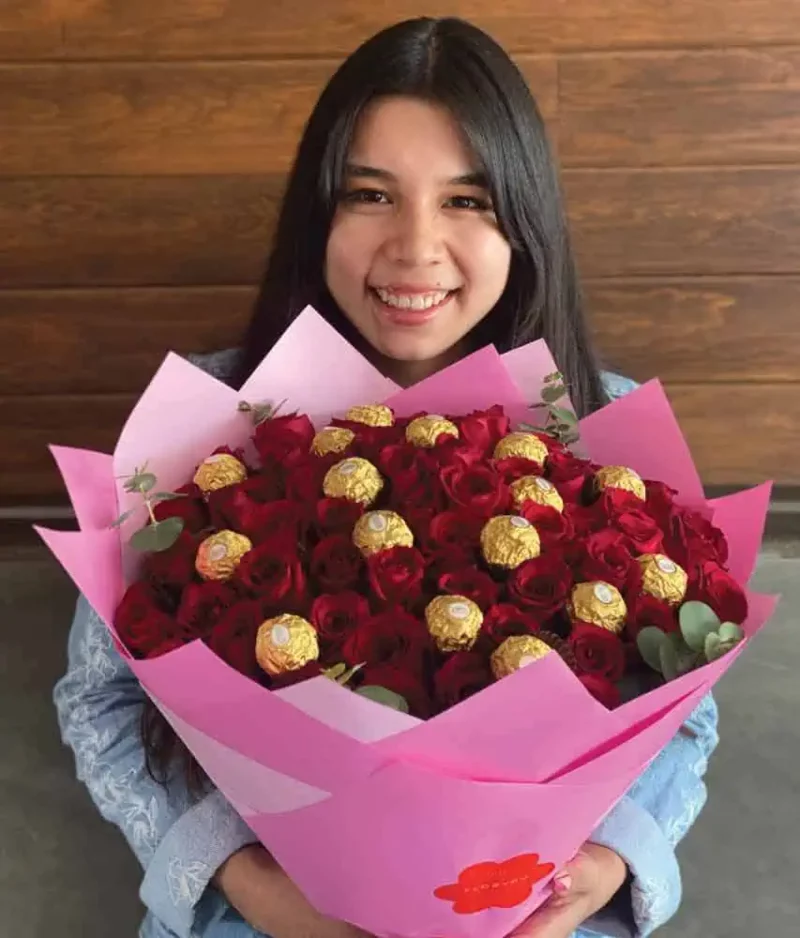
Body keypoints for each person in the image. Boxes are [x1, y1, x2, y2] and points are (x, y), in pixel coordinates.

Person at [54, 16, 719, 938]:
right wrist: (248, 885)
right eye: (371, 194)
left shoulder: (599, 425)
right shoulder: (206, 418)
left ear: (524, 221)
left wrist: (608, 868)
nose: (414, 248)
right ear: (317, 211)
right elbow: (104, 698)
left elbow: (684, 707)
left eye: (467, 200)